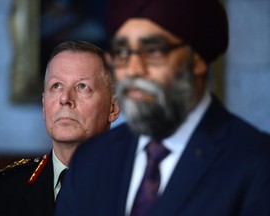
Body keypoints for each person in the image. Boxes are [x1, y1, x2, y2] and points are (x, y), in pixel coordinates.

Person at [55, 0, 270, 216]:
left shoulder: (257, 163)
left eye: (153, 52)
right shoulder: (91, 160)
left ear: (196, 59)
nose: (133, 70)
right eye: (122, 52)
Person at [0, 40, 120, 216]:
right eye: (56, 86)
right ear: (44, 104)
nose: (65, 99)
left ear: (113, 108)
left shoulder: (139, 188)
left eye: (83, 87)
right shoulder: (5, 190)